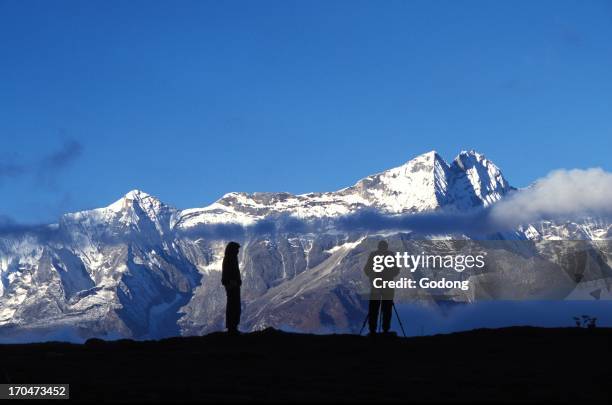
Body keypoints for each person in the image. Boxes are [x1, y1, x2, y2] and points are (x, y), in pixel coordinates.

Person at [363, 240, 399, 336]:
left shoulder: (373, 255)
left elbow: (366, 270)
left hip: (376, 286)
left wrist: (373, 277)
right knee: (387, 309)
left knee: (373, 309)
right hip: (388, 287)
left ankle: (372, 330)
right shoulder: (391, 255)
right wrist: (389, 275)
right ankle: (385, 329)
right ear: (386, 247)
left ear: (378, 247)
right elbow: (396, 270)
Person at [221, 241, 242, 334]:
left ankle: (233, 326)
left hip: (234, 285)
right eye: (236, 249)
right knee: (233, 305)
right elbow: (226, 275)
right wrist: (232, 283)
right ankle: (232, 327)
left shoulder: (232, 258)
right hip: (232, 286)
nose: (238, 251)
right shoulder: (229, 259)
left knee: (234, 305)